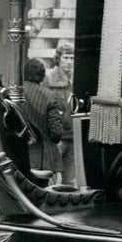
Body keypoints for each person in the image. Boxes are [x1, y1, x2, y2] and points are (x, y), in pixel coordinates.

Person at [21, 58, 64, 179]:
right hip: (43, 159)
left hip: (16, 155)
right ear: (42, 76)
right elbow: (56, 132)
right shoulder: (49, 96)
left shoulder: (12, 92)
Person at [43, 42, 75, 184]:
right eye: (66, 58)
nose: (69, 62)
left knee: (71, 181)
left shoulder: (74, 79)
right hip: (56, 136)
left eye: (72, 58)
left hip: (72, 135)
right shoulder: (48, 78)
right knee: (50, 177)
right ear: (58, 59)